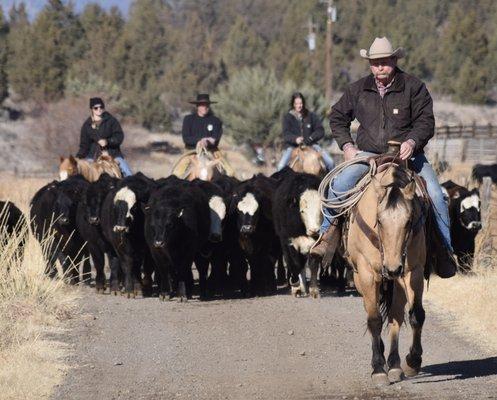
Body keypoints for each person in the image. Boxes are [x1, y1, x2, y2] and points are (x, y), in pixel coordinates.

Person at [310, 37, 456, 276]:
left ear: (394, 60)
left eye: (384, 62)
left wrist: (412, 141)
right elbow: (337, 117)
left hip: (409, 155)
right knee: (339, 185)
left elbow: (426, 121)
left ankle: (444, 251)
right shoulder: (358, 89)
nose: (379, 67)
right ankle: (327, 236)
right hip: (368, 155)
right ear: (369, 64)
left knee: (436, 194)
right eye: (375, 62)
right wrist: (347, 146)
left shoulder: (413, 86)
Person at [175, 93, 234, 176]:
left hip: (212, 152)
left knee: (231, 172)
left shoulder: (215, 121)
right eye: (202, 105)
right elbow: (186, 138)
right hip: (191, 152)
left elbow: (216, 138)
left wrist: (208, 141)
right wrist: (199, 141)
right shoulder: (188, 119)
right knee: (177, 174)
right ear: (197, 106)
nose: (205, 107)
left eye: (207, 105)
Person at [277, 92, 335, 171]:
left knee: (330, 162)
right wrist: (295, 139)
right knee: (280, 167)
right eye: (296, 103)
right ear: (293, 104)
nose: (299, 106)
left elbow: (320, 130)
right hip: (292, 147)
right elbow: (286, 134)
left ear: (303, 103)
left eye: (300, 103)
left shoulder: (311, 116)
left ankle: (331, 182)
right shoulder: (288, 117)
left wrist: (310, 138)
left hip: (312, 146)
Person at [76, 97, 132, 177]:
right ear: (91, 109)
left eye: (101, 107)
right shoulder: (87, 125)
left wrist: (108, 141)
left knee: (128, 173)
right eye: (96, 108)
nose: (99, 109)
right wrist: (78, 158)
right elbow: (84, 146)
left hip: (113, 155)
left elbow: (119, 136)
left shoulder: (112, 121)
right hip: (93, 157)